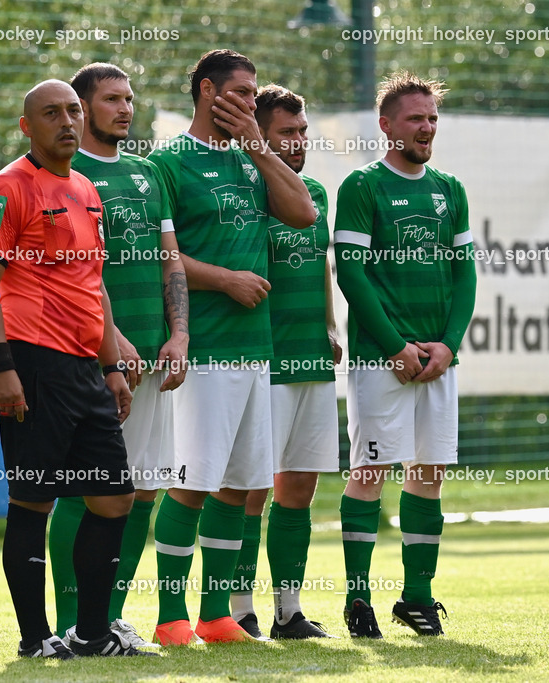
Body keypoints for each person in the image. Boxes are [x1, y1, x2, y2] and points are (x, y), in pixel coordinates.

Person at [0, 79, 157, 658]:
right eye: (51, 113)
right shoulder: (7, 187)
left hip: (84, 369)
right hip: (29, 361)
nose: (67, 121)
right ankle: (35, 641)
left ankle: (93, 635)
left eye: (73, 111)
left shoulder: (86, 190)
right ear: (28, 125)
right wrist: (1, 368)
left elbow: (91, 286)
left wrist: (112, 367)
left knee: (113, 498)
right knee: (33, 500)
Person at [147, 49, 317, 646]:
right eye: (241, 93)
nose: (251, 103)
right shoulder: (167, 162)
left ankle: (217, 616)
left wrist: (259, 145)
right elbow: (158, 256)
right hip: (206, 348)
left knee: (242, 485)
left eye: (252, 95)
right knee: (192, 480)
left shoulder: (254, 160)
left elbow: (303, 213)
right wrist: (225, 279)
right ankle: (170, 616)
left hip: (257, 350)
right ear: (206, 91)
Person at [48, 62, 189, 650]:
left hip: (153, 360)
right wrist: (115, 340)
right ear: (80, 109)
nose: (125, 109)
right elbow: (73, 272)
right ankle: (68, 623)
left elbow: (170, 260)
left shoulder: (148, 173)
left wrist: (178, 334)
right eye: (110, 99)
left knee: (141, 493)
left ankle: (108, 618)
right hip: (88, 358)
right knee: (86, 489)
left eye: (129, 98)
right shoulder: (64, 174)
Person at [333, 71, 476, 637]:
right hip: (380, 360)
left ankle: (417, 597)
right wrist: (395, 346)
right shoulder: (361, 186)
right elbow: (351, 273)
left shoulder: (451, 188)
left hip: (438, 361)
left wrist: (448, 346)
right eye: (416, 118)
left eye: (433, 118)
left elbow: (465, 276)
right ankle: (358, 598)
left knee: (430, 472)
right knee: (370, 471)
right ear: (387, 125)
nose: (427, 127)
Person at [229, 84, 341, 640]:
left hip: (312, 363)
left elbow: (320, 268)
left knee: (298, 490)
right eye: (285, 134)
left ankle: (289, 611)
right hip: (262, 364)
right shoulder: (247, 191)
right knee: (252, 488)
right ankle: (238, 606)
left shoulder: (312, 191)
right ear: (259, 135)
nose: (297, 142)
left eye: (301, 132)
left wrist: (329, 328)